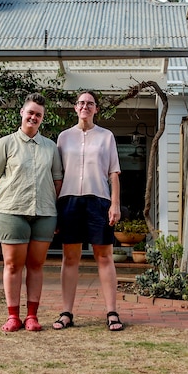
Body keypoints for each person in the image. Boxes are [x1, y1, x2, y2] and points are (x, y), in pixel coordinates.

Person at [0, 93, 63, 332]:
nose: (34, 117)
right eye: (30, 112)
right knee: (12, 265)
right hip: (12, 212)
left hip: (44, 213)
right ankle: (12, 316)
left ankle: (32, 316)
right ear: (22, 113)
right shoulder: (4, 144)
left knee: (36, 265)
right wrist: (16, 194)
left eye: (38, 115)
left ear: (42, 119)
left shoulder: (51, 147)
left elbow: (57, 181)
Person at [53, 91, 124, 331]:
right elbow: (57, 176)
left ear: (95, 109)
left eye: (90, 103)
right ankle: (66, 313)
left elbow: (113, 173)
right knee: (70, 258)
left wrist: (115, 204)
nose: (85, 106)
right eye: (81, 103)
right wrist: (54, 207)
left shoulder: (107, 136)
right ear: (75, 108)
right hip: (69, 201)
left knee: (104, 256)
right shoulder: (63, 138)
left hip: (99, 201)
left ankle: (112, 312)